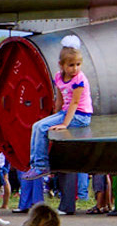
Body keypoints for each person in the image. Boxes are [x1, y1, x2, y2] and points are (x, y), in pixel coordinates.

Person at [22, 40, 90, 182]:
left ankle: (41, 165)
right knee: (37, 125)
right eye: (71, 65)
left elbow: (75, 103)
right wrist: (53, 117)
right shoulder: (59, 77)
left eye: (78, 64)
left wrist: (64, 124)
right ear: (62, 65)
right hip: (65, 112)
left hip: (80, 115)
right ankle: (34, 164)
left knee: (41, 128)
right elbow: (59, 100)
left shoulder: (79, 79)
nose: (75, 69)